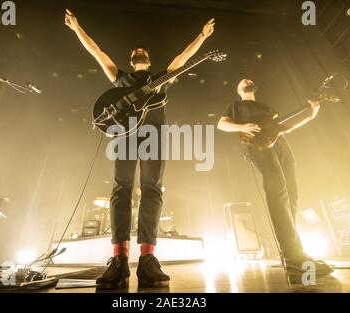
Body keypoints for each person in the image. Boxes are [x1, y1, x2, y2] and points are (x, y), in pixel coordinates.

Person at [65, 9, 215, 289]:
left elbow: (182, 58)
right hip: (124, 136)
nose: (138, 51)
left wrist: (202, 37)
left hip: (153, 137)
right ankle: (119, 260)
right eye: (134, 50)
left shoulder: (159, 79)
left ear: (148, 58)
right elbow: (97, 52)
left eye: (142, 50)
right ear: (131, 59)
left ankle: (147, 258)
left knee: (152, 189)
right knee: (120, 189)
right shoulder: (121, 79)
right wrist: (76, 28)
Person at [217, 79, 333, 276]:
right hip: (256, 144)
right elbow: (221, 125)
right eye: (243, 81)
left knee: (292, 194)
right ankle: (292, 254)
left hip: (280, 143)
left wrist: (311, 112)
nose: (247, 80)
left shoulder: (266, 107)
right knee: (277, 188)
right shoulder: (236, 106)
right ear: (239, 90)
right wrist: (242, 127)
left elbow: (284, 125)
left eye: (250, 80)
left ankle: (296, 250)